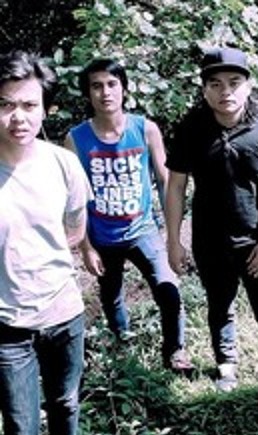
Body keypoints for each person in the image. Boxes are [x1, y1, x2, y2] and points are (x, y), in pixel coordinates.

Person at [166, 47, 258, 415]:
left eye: (234, 82)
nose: (226, 91)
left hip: (257, 242)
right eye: (216, 84)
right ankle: (226, 364)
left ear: (248, 85)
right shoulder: (191, 127)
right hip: (209, 241)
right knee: (219, 305)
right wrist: (174, 240)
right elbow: (176, 185)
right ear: (204, 89)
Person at [65, 58, 193, 373]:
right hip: (101, 235)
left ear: (124, 88)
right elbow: (74, 200)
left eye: (112, 84)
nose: (105, 92)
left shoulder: (145, 129)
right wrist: (86, 247)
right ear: (88, 93)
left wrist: (173, 236)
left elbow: (165, 181)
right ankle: (123, 341)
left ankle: (175, 351)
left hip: (142, 229)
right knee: (111, 294)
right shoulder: (76, 139)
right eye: (97, 86)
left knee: (168, 287)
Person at [0, 51, 91, 435]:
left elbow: (75, 228)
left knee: (65, 400)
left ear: (45, 109)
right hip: (6, 321)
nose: (18, 117)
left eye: (29, 105)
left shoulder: (63, 163)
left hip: (63, 310)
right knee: (20, 425)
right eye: (5, 104)